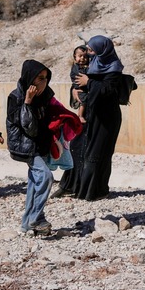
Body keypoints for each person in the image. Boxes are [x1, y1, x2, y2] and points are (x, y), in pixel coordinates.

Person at [7, 60, 55, 235]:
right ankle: (37, 218)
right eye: (39, 78)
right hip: (25, 146)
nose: (43, 82)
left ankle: (27, 223)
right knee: (46, 177)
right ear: (29, 78)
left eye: (45, 78)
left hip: (41, 145)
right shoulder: (16, 97)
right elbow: (28, 127)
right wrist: (27, 102)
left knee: (34, 184)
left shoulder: (46, 96)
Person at [73, 35, 124, 201]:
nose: (89, 53)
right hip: (93, 115)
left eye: (92, 50)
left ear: (102, 50)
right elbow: (81, 84)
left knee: (100, 153)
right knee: (85, 150)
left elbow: (108, 91)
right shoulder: (94, 64)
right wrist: (75, 91)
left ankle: (96, 191)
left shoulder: (114, 68)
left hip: (107, 117)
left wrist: (89, 83)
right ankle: (83, 189)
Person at [51, 45, 91, 199]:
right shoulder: (77, 70)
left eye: (86, 55)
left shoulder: (97, 69)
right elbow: (77, 90)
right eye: (79, 56)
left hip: (94, 117)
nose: (82, 58)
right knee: (75, 148)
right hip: (85, 115)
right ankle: (69, 185)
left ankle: (77, 186)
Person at [69, 45, 90, 123]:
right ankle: (80, 116)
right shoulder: (76, 67)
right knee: (83, 101)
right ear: (75, 56)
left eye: (85, 57)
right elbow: (79, 77)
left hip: (83, 87)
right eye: (80, 56)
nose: (82, 58)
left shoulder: (84, 66)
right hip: (79, 87)